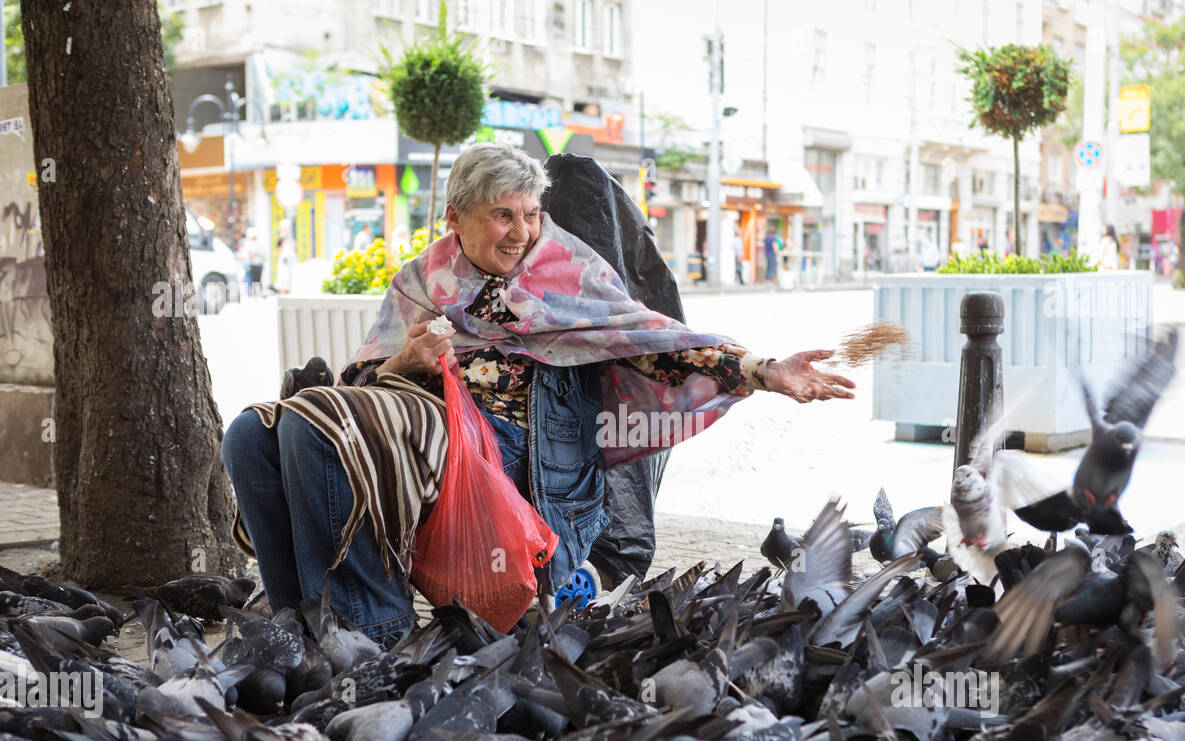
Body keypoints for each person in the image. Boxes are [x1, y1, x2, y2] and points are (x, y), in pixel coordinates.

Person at [221, 143, 855, 646]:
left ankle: (368, 632)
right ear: (455, 219)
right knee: (253, 434)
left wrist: (765, 370)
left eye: (530, 214)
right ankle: (300, 623)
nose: (522, 231)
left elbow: (654, 341)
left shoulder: (566, 272)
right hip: (428, 427)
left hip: (517, 457)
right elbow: (360, 382)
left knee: (321, 423)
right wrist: (407, 360)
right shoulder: (421, 281)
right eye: (503, 215)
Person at [272, 221, 295, 294]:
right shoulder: (281, 239)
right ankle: (282, 293)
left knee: (289, 278)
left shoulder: (291, 239)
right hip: (282, 262)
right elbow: (277, 250)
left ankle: (288, 292)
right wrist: (283, 241)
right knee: (282, 277)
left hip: (290, 263)